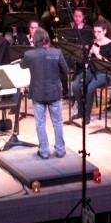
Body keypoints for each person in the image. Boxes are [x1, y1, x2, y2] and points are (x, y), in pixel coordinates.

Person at [22, 29, 70, 159]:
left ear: (34, 40)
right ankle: (60, 150)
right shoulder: (57, 52)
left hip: (37, 93)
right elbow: (66, 70)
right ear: (47, 39)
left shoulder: (29, 54)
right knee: (58, 122)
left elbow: (22, 66)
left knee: (40, 123)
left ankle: (44, 151)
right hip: (54, 92)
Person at [74, 19, 111, 124]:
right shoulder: (92, 42)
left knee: (91, 87)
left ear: (105, 31)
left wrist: (98, 54)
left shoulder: (110, 44)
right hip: (92, 70)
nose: (96, 34)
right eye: (95, 32)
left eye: (99, 32)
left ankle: (87, 115)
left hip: (105, 73)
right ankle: (80, 111)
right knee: (75, 85)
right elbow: (87, 59)